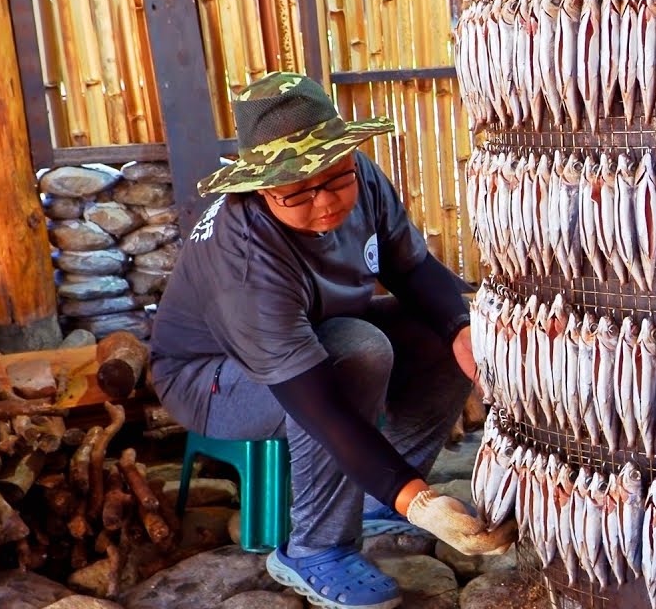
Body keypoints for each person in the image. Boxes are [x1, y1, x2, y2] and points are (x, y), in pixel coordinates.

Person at [149, 72, 515, 609]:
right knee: (356, 350)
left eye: (335, 178)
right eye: (297, 193)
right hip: (211, 378)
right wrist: (422, 504)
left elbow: (411, 268)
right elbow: (319, 406)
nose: (324, 202)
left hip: (320, 335)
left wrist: (460, 331)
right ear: (261, 187)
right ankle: (315, 547)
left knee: (443, 327)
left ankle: (377, 498)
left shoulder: (359, 174)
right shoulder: (243, 257)